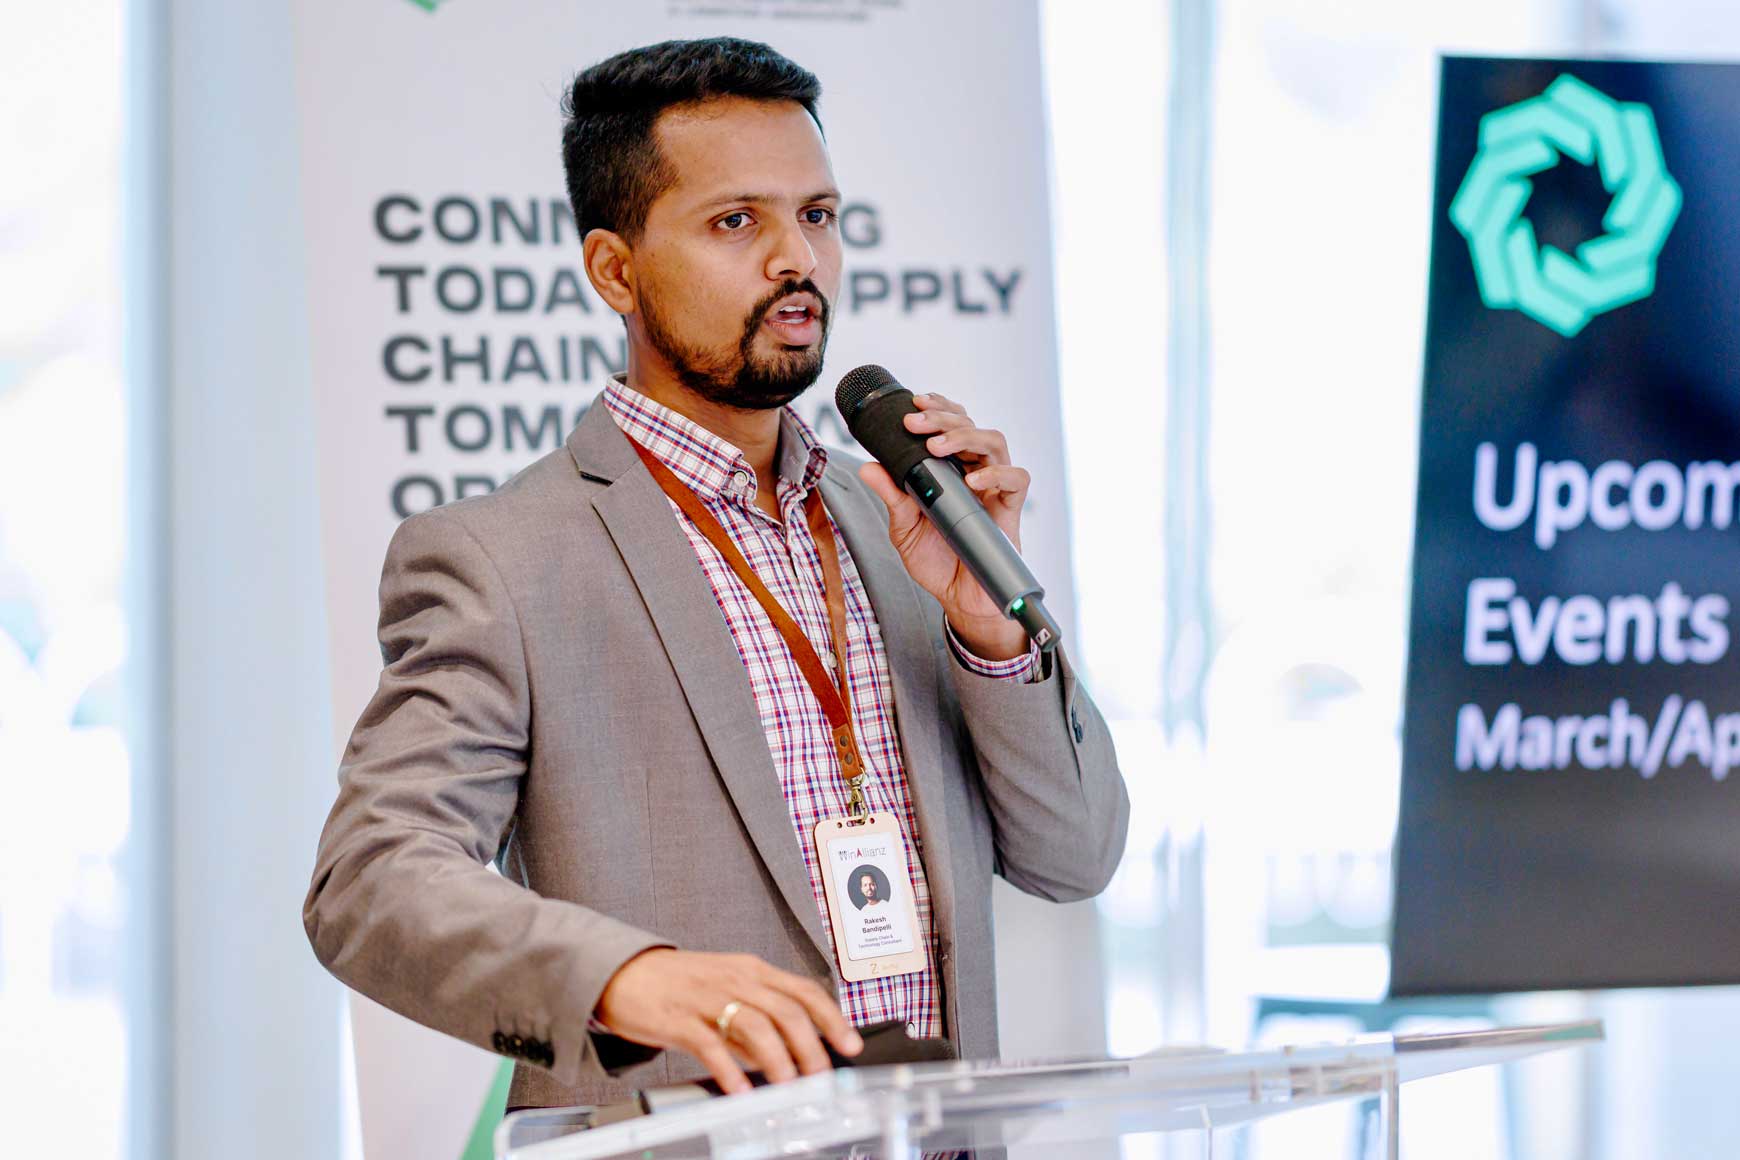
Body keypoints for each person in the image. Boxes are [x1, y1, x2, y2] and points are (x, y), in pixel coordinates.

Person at [302, 36, 1129, 1113]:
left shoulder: (909, 527)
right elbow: (370, 880)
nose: (798, 259)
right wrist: (627, 979)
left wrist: (990, 633)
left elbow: (1076, 855)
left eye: (817, 215)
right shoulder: (501, 558)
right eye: (737, 221)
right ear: (615, 269)